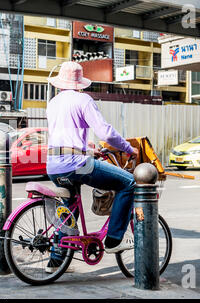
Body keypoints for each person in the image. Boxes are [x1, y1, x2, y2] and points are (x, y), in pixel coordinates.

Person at [45, 61, 139, 273]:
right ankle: (114, 239)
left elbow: (64, 137)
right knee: (128, 182)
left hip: (53, 165)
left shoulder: (53, 103)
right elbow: (105, 132)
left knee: (69, 211)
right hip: (76, 165)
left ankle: (56, 261)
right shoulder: (83, 100)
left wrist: (87, 150)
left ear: (60, 83)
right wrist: (127, 148)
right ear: (80, 83)